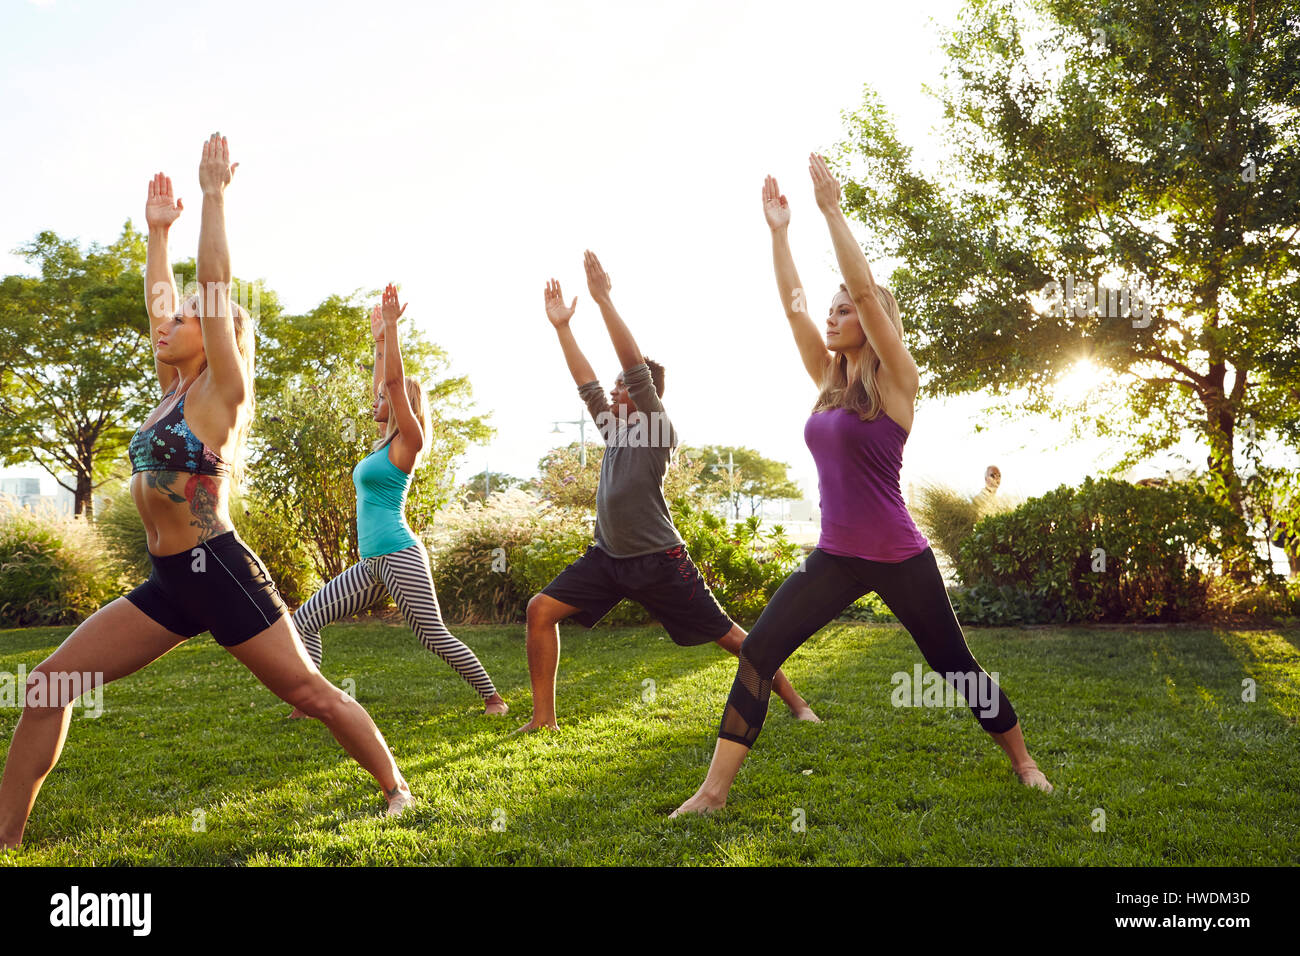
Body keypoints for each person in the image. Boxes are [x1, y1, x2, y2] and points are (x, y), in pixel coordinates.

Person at [0, 134, 412, 848]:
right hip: (167, 581)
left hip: (217, 569)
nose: (169, 323)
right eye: (171, 318)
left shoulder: (223, 391)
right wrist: (157, 234)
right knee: (46, 689)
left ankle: (397, 789)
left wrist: (213, 198)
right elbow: (164, 304)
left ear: (216, 334)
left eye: (186, 319)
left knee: (307, 692)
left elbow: (214, 289)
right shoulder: (171, 392)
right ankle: (5, 838)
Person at [672, 157, 1052, 817]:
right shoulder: (826, 379)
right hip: (836, 556)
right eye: (833, 308)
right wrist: (779, 234)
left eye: (844, 310)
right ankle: (713, 793)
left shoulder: (899, 380)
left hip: (901, 555)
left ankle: (1025, 763)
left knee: (954, 666)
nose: (834, 315)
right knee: (758, 652)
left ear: (869, 322)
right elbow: (793, 310)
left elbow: (871, 295)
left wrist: (830, 212)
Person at [515, 251, 818, 733]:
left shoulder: (656, 427)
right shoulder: (613, 429)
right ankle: (543, 721)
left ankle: (797, 702)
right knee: (540, 610)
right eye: (614, 390)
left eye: (622, 389)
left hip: (659, 561)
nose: (612, 395)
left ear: (646, 395)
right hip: (607, 558)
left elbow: (632, 366)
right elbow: (584, 381)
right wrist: (562, 328)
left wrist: (603, 300)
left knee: (734, 640)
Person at [288, 284, 507, 717]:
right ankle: (309, 703)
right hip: (372, 562)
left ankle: (493, 699)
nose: (376, 399)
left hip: (399, 553)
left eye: (385, 398)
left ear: (402, 403)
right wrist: (378, 341)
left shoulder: (409, 441)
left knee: (432, 635)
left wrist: (392, 329)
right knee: (305, 619)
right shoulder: (380, 443)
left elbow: (392, 381)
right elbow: (382, 383)